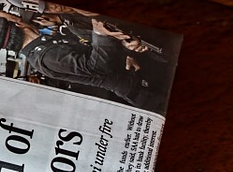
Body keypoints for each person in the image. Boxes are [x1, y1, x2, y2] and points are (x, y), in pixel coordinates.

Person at [20, 17, 167, 112]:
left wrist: (125, 54)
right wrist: (100, 34)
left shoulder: (46, 46)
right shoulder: (47, 56)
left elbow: (92, 50)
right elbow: (97, 66)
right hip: (133, 86)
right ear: (18, 24)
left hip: (134, 72)